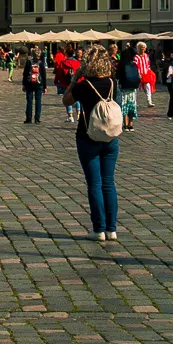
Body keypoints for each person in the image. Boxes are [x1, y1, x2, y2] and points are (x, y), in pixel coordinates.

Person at [71, 44, 121, 243]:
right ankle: (112, 229)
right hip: (110, 138)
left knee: (95, 184)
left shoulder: (84, 86)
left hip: (88, 137)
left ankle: (98, 229)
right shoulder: (112, 83)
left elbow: (66, 101)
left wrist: (75, 79)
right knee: (108, 182)